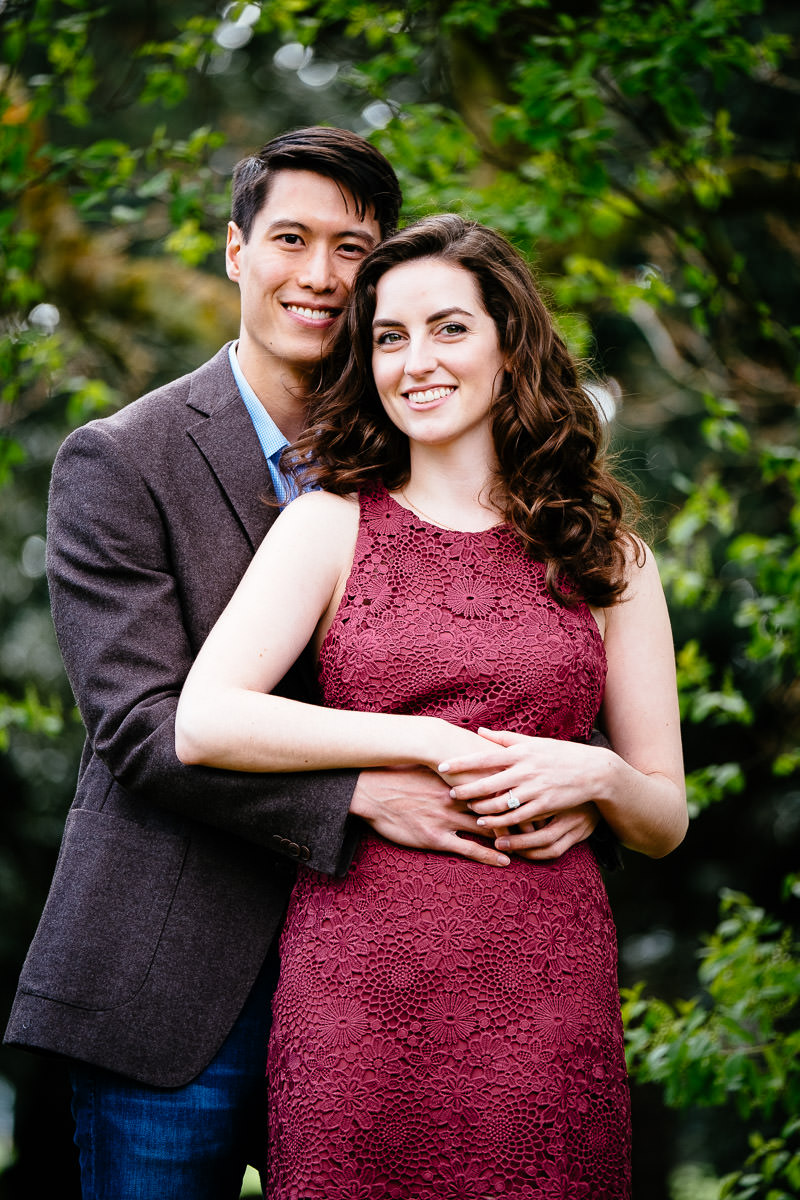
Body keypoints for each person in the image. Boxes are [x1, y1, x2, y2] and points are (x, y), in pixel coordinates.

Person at [2, 129, 553, 1200]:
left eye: (352, 248)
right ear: (233, 252)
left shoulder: (434, 452)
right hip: (175, 979)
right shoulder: (122, 460)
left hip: (393, 974)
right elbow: (141, 728)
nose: (318, 276)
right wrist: (355, 794)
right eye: (291, 238)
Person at [175, 213, 688, 1198]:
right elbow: (206, 719)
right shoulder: (325, 526)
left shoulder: (609, 558)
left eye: (448, 328)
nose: (416, 360)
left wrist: (599, 773)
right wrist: (420, 742)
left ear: (509, 345)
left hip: (546, 991)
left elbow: (661, 817)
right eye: (388, 336)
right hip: (359, 992)